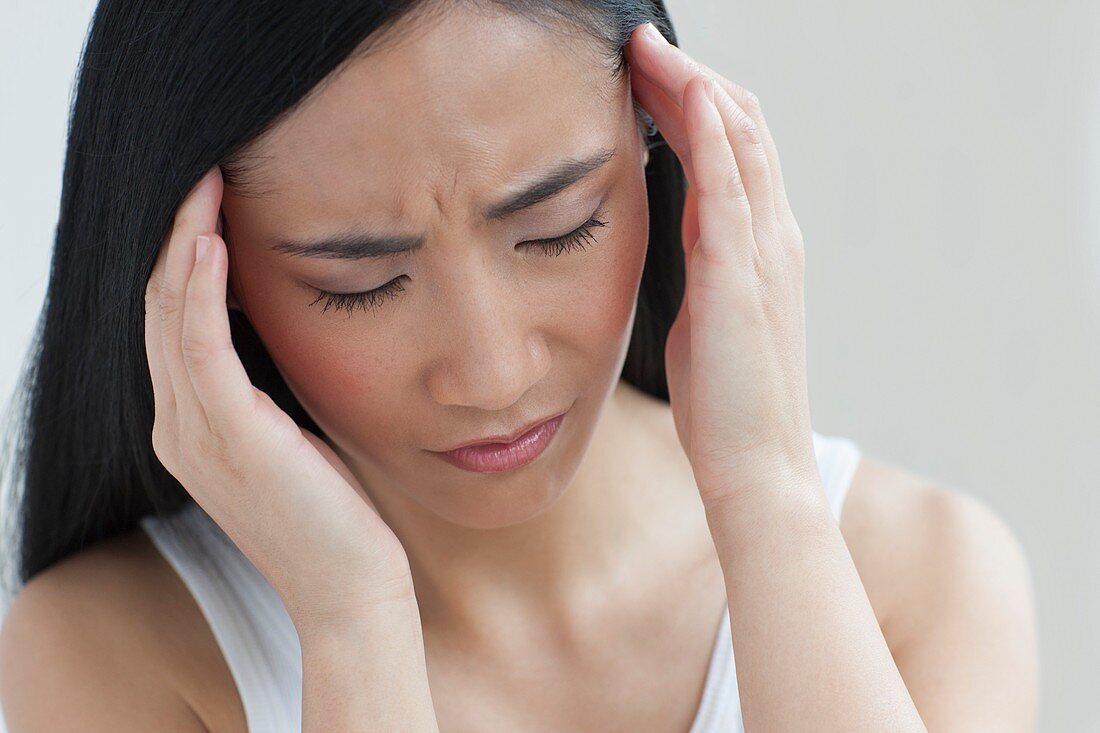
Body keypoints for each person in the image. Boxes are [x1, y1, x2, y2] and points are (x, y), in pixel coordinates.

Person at [0, 1, 1038, 731]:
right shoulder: (110, 654)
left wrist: (765, 495)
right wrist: (353, 621)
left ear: (662, 146)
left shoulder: (918, 579)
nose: (491, 373)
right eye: (359, 283)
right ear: (206, 271)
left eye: (556, 228)